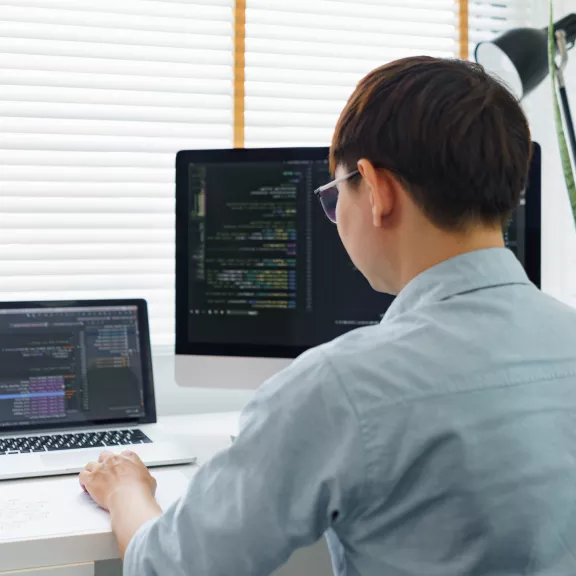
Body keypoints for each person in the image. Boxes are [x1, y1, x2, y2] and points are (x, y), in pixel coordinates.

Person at [80, 56, 576, 575]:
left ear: (376, 189)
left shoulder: (340, 386)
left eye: (335, 194)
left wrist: (125, 489)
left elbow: (165, 569)